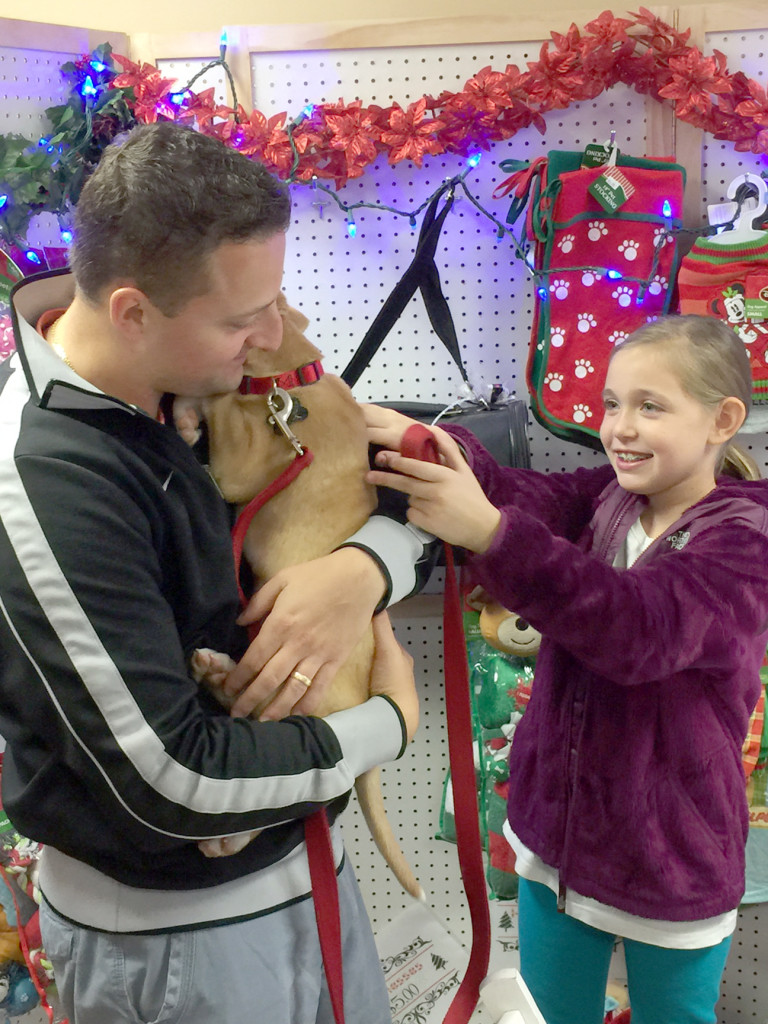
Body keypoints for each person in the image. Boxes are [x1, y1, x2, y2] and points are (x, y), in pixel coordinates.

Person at [0, 122, 429, 1024]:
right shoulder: (48, 481)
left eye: (273, 301)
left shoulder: (176, 378)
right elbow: (174, 780)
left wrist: (362, 571)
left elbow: (406, 496)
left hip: (303, 872)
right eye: (243, 319)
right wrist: (381, 727)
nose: (274, 335)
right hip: (174, 941)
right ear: (132, 310)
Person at [365, 314, 768, 1024]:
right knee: (549, 1012)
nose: (620, 427)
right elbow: (519, 492)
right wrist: (428, 442)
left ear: (722, 419)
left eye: (650, 406)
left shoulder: (743, 541)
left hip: (672, 857)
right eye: (612, 404)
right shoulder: (609, 498)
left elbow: (638, 630)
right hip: (556, 846)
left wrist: (489, 533)